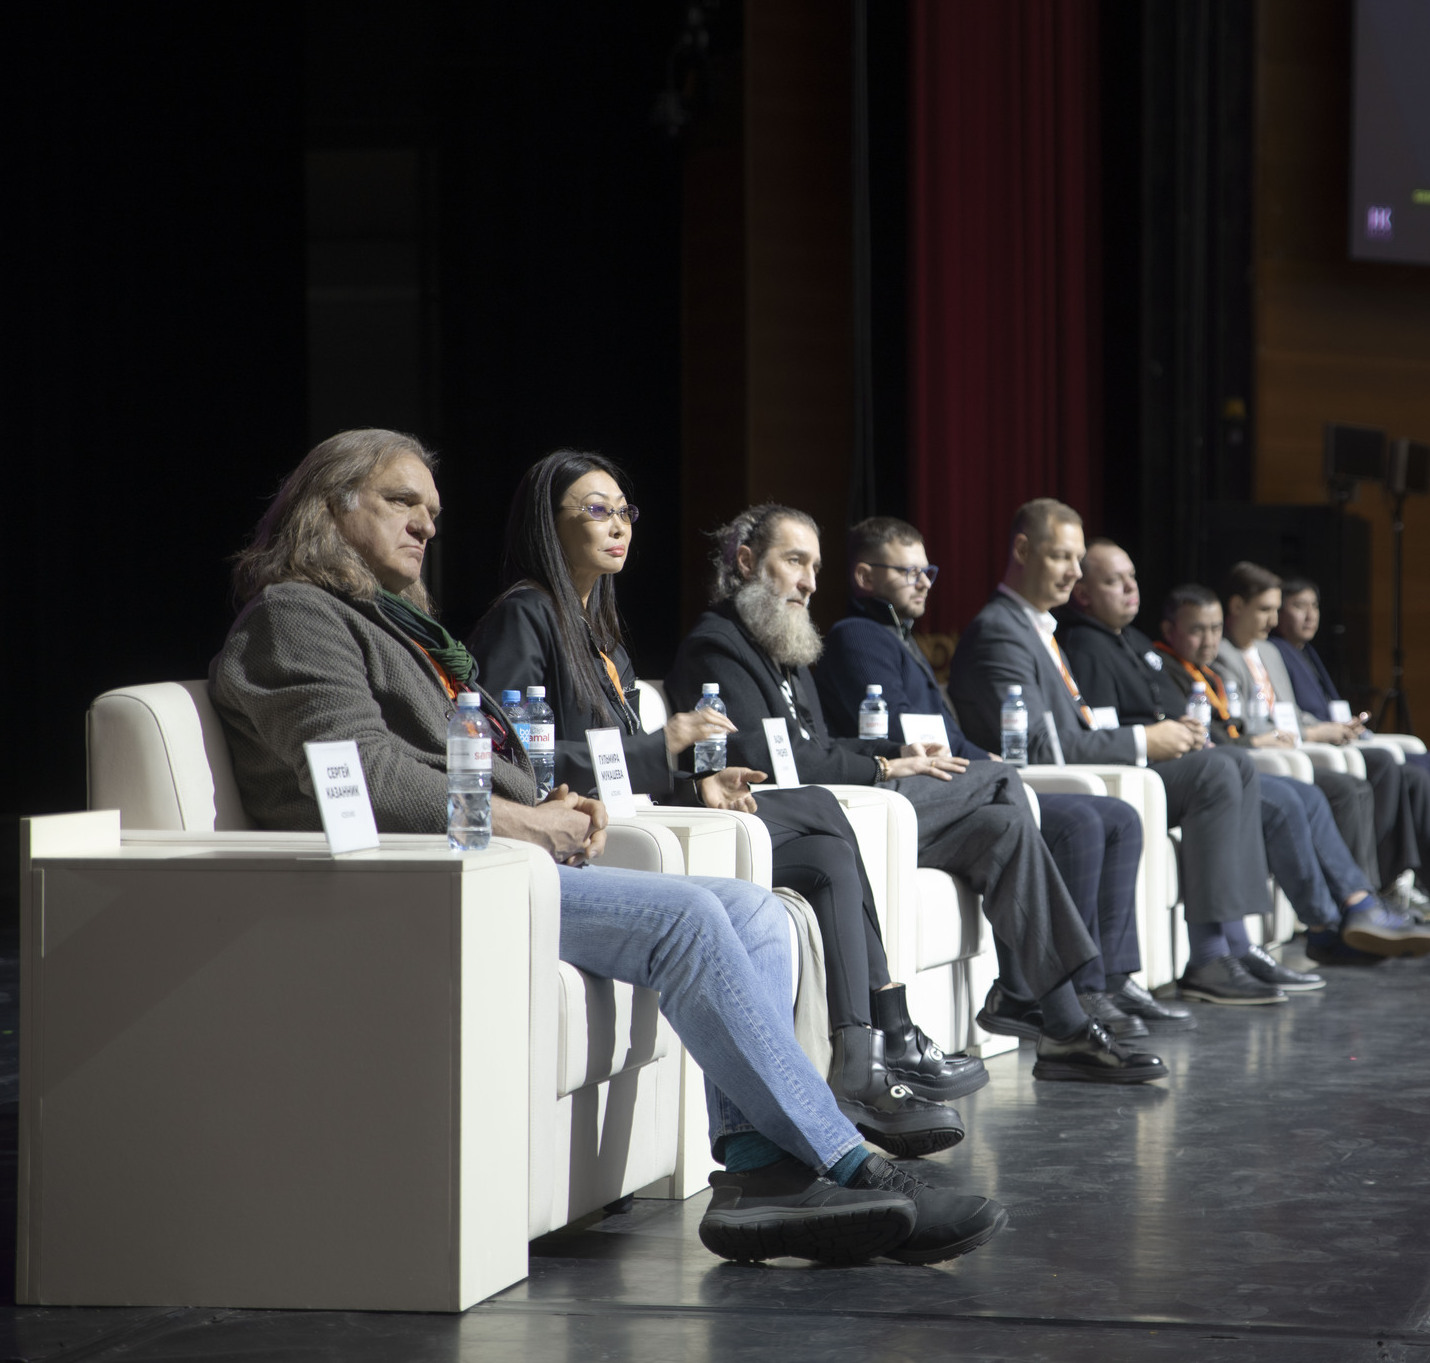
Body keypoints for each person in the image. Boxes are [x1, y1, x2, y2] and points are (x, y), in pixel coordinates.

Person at [208, 430, 1004, 1266]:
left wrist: (544, 800)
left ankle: (759, 1175)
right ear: (329, 507)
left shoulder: (398, 626)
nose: (426, 525)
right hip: (415, 882)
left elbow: (469, 757)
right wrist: (524, 820)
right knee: (690, 920)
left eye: (432, 510)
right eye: (401, 502)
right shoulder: (295, 616)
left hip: (489, 864)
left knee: (758, 914)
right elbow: (362, 774)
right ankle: (851, 1160)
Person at [465, 451, 980, 1162]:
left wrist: (696, 783)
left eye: (624, 511)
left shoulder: (598, 630)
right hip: (582, 836)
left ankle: (862, 1052)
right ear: (548, 526)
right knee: (820, 811)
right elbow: (518, 760)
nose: (618, 526)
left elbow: (616, 762)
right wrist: (668, 748)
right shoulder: (524, 615)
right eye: (595, 510)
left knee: (826, 848)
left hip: (639, 816)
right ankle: (875, 1045)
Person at [666, 503, 1167, 1084]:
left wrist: (896, 752)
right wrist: (883, 764)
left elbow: (818, 744)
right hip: (800, 820)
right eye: (795, 561)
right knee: (999, 778)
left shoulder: (782, 646)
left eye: (815, 567)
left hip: (851, 808)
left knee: (1003, 828)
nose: (809, 582)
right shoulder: (718, 646)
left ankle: (1061, 1023)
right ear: (747, 563)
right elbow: (770, 763)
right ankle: (1031, 995)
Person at [814, 515, 1193, 1038]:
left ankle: (1078, 987)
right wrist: (986, 765)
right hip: (901, 793)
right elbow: (903, 734)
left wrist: (982, 758)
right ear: (864, 577)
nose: (924, 583)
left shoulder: (897, 636)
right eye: (908, 572)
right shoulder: (856, 635)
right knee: (1066, 813)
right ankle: (1067, 992)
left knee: (1112, 816)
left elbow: (943, 733)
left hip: (940, 782)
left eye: (928, 571)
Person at [946, 500, 1291, 1006]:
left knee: (1232, 763)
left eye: (1078, 558)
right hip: (1039, 782)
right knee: (1215, 770)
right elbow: (1037, 746)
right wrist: (1144, 741)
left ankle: (1224, 946)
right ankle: (1208, 956)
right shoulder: (1001, 630)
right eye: (1062, 556)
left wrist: (1151, 738)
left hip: (1088, 769)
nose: (1074, 571)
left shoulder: (1040, 627)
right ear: (1022, 550)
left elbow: (1080, 724)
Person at [1209, 564, 1430, 923]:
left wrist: (1331, 728)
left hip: (1304, 744)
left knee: (1416, 776)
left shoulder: (1268, 652)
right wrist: (1312, 734)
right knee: (1379, 768)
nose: (1273, 619)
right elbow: (1247, 727)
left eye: (1277, 609)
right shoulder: (1223, 655)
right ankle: (1382, 888)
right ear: (1237, 606)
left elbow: (1290, 713)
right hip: (1282, 754)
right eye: (1266, 609)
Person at [1151, 583, 1430, 963]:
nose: (1209, 640)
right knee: (1293, 799)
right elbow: (1198, 738)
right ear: (1170, 630)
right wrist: (1254, 743)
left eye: (1214, 629)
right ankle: (1328, 926)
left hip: (1236, 764)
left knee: (1320, 792)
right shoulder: (1165, 671)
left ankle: (1359, 906)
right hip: (1208, 774)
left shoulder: (1209, 673)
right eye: (1197, 630)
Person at [1271, 575, 1430, 807]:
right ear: (1279, 612)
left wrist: (1348, 725)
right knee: (1419, 772)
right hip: (1319, 744)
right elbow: (1290, 712)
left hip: (1342, 738)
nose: (1310, 615)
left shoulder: (1307, 651)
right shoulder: (1274, 651)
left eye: (1315, 606)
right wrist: (1325, 729)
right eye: (1299, 606)